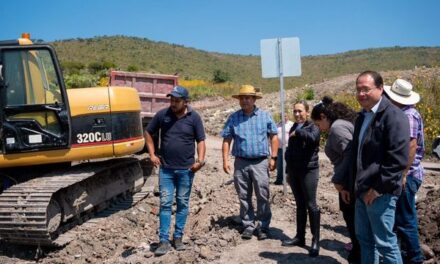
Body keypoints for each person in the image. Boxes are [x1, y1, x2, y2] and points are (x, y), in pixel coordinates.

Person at [349, 71, 409, 264]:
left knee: (385, 243)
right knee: (365, 241)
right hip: (362, 190)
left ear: (381, 89)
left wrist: (377, 190)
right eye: (358, 90)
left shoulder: (394, 116)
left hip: (380, 193)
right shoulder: (362, 117)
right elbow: (356, 153)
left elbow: (397, 160)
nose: (361, 94)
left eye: (366, 89)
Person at [145, 86, 206, 256]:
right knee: (165, 204)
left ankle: (178, 237)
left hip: (186, 170)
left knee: (182, 203)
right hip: (166, 170)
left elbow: (201, 141)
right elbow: (148, 132)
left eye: (177, 100)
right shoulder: (162, 115)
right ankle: (163, 241)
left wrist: (200, 161)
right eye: (171, 99)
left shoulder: (194, 118)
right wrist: (151, 154)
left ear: (186, 102)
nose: (173, 103)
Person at [221, 84, 279, 241]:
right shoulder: (233, 118)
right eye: (242, 98)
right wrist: (225, 160)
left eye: (248, 98)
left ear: (254, 99)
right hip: (240, 163)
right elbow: (227, 139)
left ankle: (263, 226)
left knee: (263, 194)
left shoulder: (265, 116)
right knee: (243, 195)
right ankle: (248, 225)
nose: (244, 101)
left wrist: (273, 157)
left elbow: (274, 136)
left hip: (260, 162)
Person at [311, 96, 360, 263]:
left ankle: (357, 256)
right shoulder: (343, 123)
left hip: (349, 181)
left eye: (318, 124)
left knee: (353, 222)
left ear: (324, 117)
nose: (319, 128)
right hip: (350, 179)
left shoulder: (338, 128)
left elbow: (349, 155)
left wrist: (339, 181)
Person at [384, 79, 425, 264]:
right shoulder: (407, 113)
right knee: (403, 217)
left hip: (407, 176)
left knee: (404, 219)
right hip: (408, 174)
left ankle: (415, 258)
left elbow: (411, 146)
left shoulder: (407, 115)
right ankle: (406, 255)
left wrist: (402, 174)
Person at [282, 100, 321, 257]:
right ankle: (300, 237)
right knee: (300, 205)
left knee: (311, 205)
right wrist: (287, 170)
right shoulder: (293, 126)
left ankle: (315, 241)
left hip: (308, 171)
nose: (297, 114)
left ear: (307, 112)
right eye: (295, 111)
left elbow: (313, 139)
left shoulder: (313, 126)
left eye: (300, 111)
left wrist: (299, 133)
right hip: (295, 171)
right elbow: (290, 150)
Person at [274, 114, 294, 185]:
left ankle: (290, 180)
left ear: (288, 116)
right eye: (282, 116)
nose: (284, 117)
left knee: (289, 164)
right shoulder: (277, 125)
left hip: (289, 147)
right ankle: (279, 180)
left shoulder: (291, 124)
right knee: (279, 165)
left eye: (285, 116)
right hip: (279, 148)